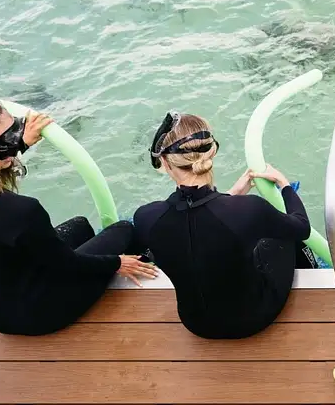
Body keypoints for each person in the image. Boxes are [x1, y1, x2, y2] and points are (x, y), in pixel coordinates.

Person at [0, 87, 156, 336]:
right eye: (5, 143)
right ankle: (143, 266)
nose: (14, 142)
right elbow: (67, 264)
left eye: (14, 131)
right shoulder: (20, 211)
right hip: (40, 313)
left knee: (80, 226)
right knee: (124, 229)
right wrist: (117, 263)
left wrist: (18, 145)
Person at [133, 112, 315, 339]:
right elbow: (302, 226)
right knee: (282, 234)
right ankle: (316, 281)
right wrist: (284, 185)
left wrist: (232, 195)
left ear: (167, 163)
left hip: (195, 324)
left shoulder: (146, 218)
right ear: (211, 153)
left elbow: (197, 224)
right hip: (253, 318)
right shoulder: (248, 209)